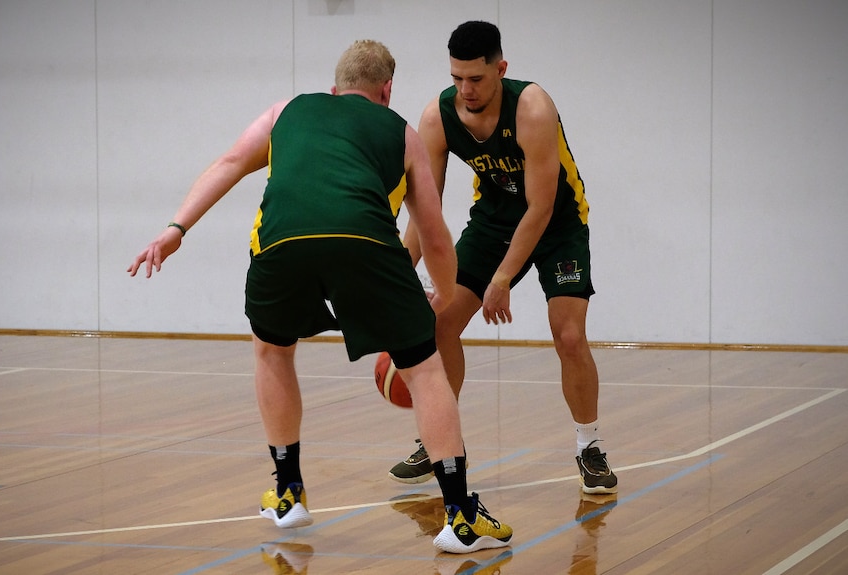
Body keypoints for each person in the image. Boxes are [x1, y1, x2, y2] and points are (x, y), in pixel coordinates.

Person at [128, 39, 512, 554]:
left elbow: (228, 162)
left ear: (335, 88)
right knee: (424, 370)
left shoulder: (285, 110)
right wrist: (442, 297)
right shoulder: (400, 130)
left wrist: (176, 228)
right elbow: (435, 236)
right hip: (365, 242)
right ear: (387, 89)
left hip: (281, 242)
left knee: (272, 350)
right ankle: (460, 517)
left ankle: (287, 490)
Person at [389, 21, 618, 495]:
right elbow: (423, 211)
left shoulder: (533, 107)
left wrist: (502, 278)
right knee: (440, 323)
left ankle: (589, 446)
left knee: (569, 335)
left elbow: (541, 206)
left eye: (476, 78)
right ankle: (440, 442)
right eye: (456, 78)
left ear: (501, 68)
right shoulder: (438, 117)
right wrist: (394, 279)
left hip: (557, 224)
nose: (465, 90)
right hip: (493, 223)